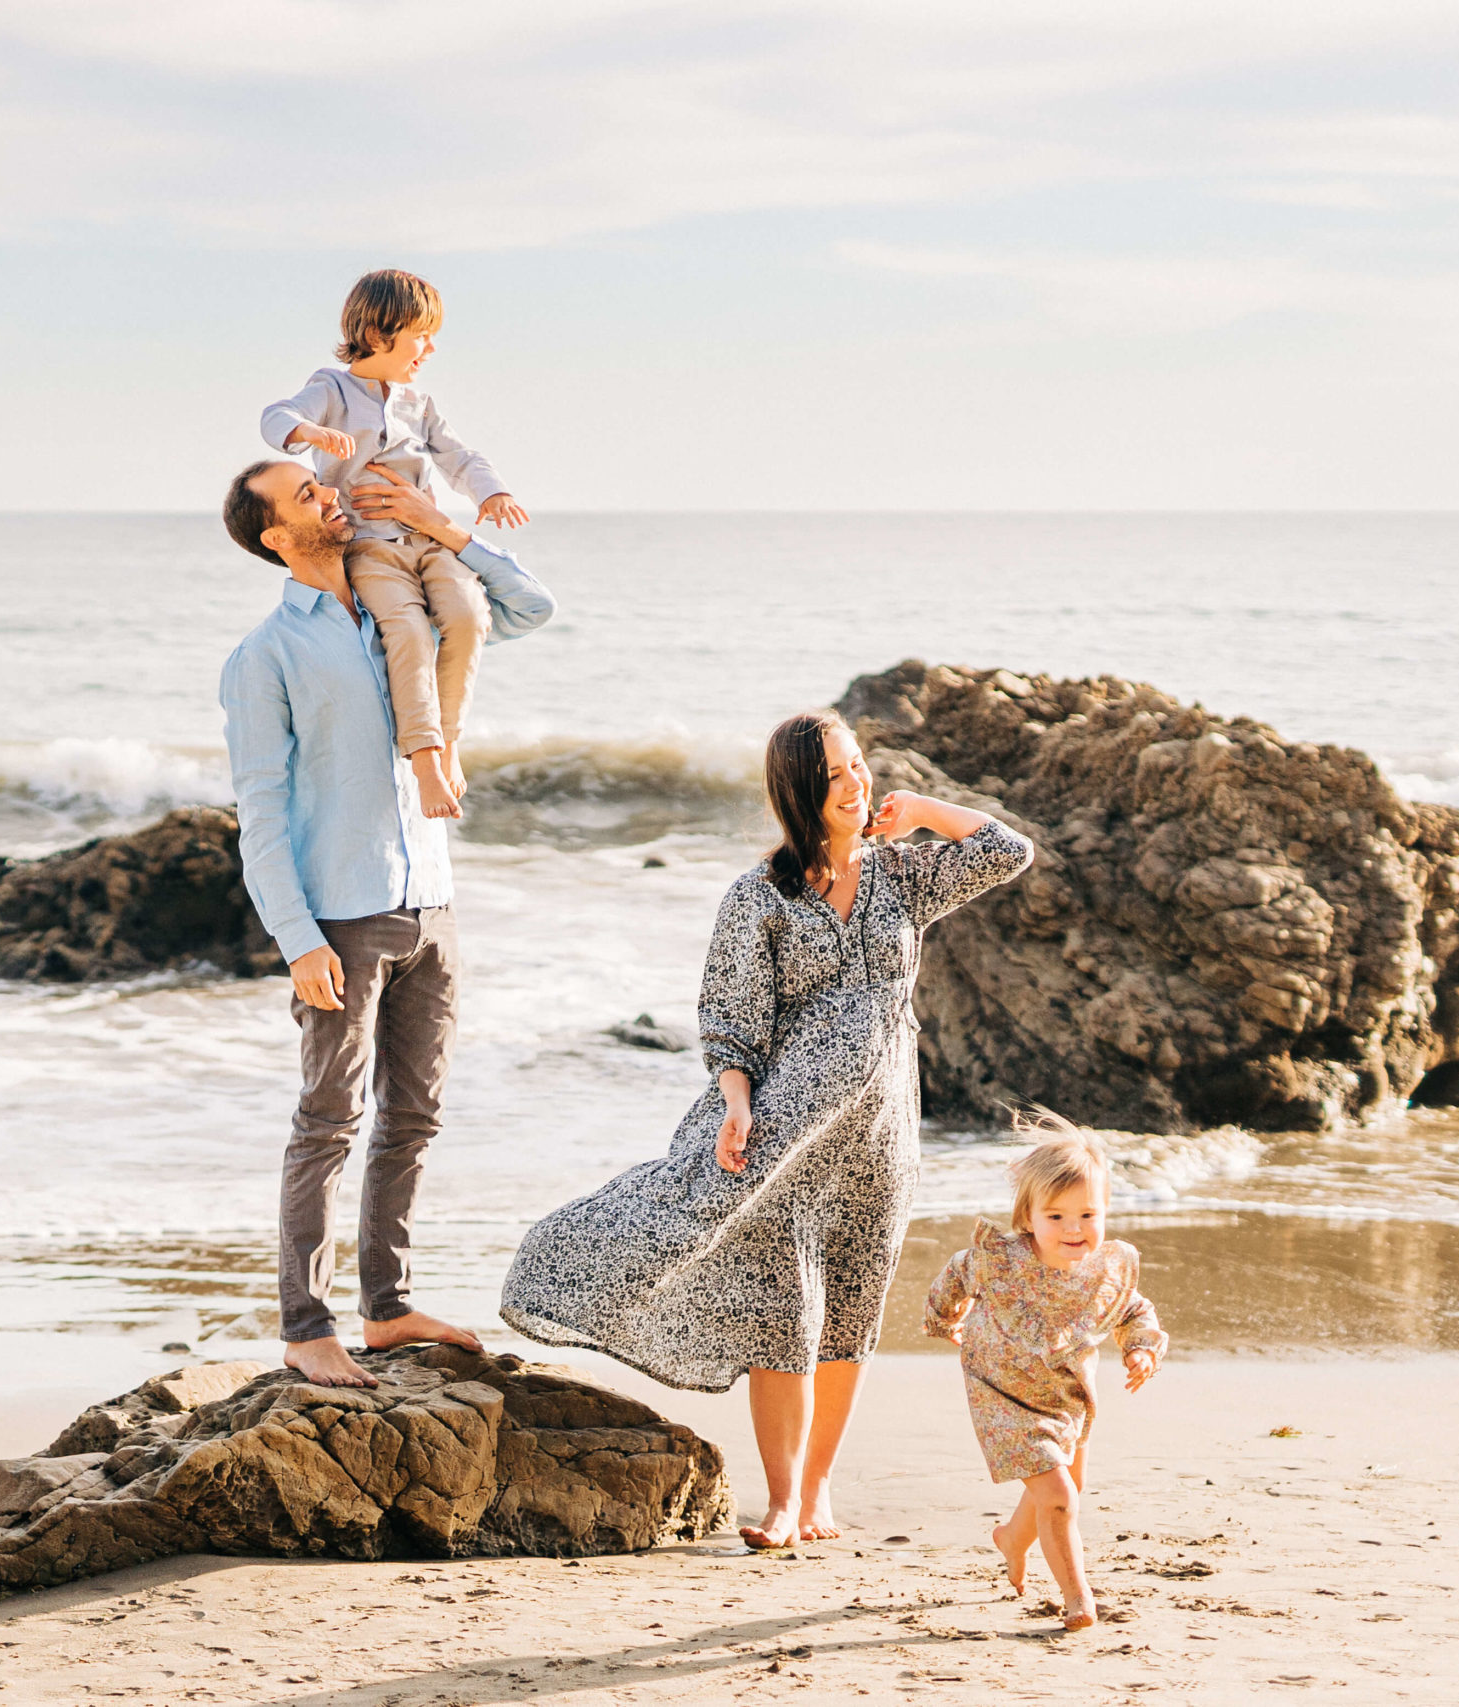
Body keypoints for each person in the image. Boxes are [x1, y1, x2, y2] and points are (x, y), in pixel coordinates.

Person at [500, 709, 1034, 1547]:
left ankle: (818, 1493)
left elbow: (1008, 851)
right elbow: (731, 1019)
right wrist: (738, 1099)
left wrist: (925, 807)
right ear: (800, 791)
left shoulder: (905, 877)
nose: (856, 784)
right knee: (785, 1310)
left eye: (860, 765)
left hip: (883, 1136)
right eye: (836, 775)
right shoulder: (761, 896)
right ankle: (783, 1500)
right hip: (787, 1129)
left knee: (852, 1308)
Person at [219, 455, 556, 1390]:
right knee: (329, 1120)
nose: (330, 493)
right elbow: (259, 808)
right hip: (342, 913)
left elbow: (530, 608)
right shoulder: (266, 656)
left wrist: (442, 526)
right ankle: (305, 1325)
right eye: (307, 496)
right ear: (275, 535)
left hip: (432, 903)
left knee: (415, 1115)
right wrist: (297, 939)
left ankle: (389, 1305)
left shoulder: (402, 598)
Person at [260, 269, 529, 819]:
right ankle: (426, 763)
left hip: (428, 539)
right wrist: (308, 434)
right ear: (380, 332)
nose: (429, 349)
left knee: (469, 614)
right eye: (420, 336)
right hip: (370, 546)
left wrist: (492, 491)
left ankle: (449, 740)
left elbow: (460, 457)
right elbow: (276, 417)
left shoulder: (418, 401)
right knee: (407, 630)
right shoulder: (331, 389)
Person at [923, 1129, 1167, 1630]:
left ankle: (1013, 1538)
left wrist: (1141, 1347)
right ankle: (1078, 1598)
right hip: (1001, 1392)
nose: (1073, 1228)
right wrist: (944, 1318)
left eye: (1087, 1215)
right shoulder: (1000, 1260)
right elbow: (954, 1274)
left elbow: (1134, 1311)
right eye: (1055, 1216)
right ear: (1027, 1218)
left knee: (1065, 1485)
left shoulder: (1105, 1271)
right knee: (1060, 1497)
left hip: (1065, 1395)